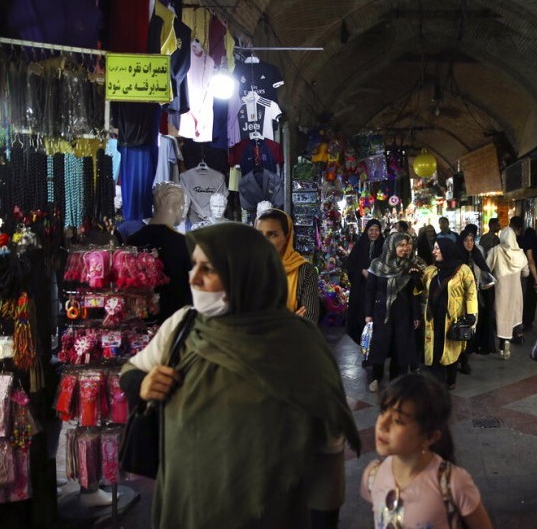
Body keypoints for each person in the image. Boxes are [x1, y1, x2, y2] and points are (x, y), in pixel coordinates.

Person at [119, 223, 360, 528]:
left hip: (270, 512)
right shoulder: (184, 326)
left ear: (244, 273)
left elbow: (327, 446)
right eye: (194, 266)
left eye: (208, 268)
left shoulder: (299, 344)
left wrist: (325, 520)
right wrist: (143, 384)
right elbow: (131, 371)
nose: (193, 278)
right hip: (188, 506)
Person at [361, 373, 493, 529]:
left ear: (430, 437)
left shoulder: (453, 483)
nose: (382, 425)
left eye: (398, 420)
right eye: (382, 412)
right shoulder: (373, 475)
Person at [365, 232, 426, 392]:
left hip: (403, 313)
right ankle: (376, 377)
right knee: (380, 344)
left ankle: (397, 379)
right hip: (381, 311)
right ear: (391, 246)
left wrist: (416, 277)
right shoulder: (377, 264)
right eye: (401, 245)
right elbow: (370, 291)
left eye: (406, 245)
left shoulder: (410, 265)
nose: (404, 249)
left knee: (401, 345)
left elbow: (418, 292)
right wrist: (368, 313)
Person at [126, 182, 192, 322]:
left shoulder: (132, 240)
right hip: (175, 322)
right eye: (183, 205)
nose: (183, 210)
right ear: (176, 206)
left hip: (138, 323)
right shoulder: (184, 243)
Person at [422, 239, 478, 390]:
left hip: (453, 318)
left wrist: (471, 313)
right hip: (434, 318)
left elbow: (471, 293)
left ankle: (450, 379)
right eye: (434, 248)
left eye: (437, 249)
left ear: (446, 250)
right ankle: (438, 380)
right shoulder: (432, 270)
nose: (434, 252)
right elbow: (421, 288)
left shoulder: (463, 270)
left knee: (452, 348)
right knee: (435, 347)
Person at [255, 208, 320, 322]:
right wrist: (290, 321)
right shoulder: (247, 268)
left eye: (273, 235)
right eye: (259, 234)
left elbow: (309, 321)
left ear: (287, 237)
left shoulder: (304, 271)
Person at [486, 226, 529, 360]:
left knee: (499, 315)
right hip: (515, 291)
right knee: (512, 315)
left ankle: (502, 343)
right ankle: (508, 340)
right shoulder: (520, 253)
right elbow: (526, 272)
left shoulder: (496, 251)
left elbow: (487, 268)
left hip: (500, 290)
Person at [458, 227, 497, 361]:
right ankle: (462, 352)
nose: (469, 243)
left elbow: (485, 272)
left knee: (473, 321)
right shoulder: (457, 256)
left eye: (471, 240)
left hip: (475, 295)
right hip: (459, 297)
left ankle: (471, 347)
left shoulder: (476, 254)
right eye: (466, 240)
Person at [346, 219, 384, 344]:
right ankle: (365, 347)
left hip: (378, 291)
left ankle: (374, 349)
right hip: (361, 290)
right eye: (371, 230)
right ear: (366, 231)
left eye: (376, 230)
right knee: (361, 319)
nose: (374, 233)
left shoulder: (384, 247)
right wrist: (361, 271)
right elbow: (350, 265)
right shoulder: (360, 245)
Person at [521, 226, 537, 330]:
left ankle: (524, 321)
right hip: (535, 274)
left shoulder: (526, 243)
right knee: (532, 299)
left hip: (526, 275)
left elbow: (531, 262)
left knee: (525, 299)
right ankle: (528, 322)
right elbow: (534, 262)